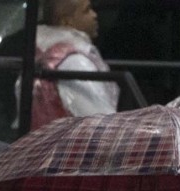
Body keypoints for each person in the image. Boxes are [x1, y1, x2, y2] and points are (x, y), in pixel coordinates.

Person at [28, 0, 118, 130]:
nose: (94, 15)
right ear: (67, 22)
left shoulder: (44, 56)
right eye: (87, 10)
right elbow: (103, 126)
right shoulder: (75, 63)